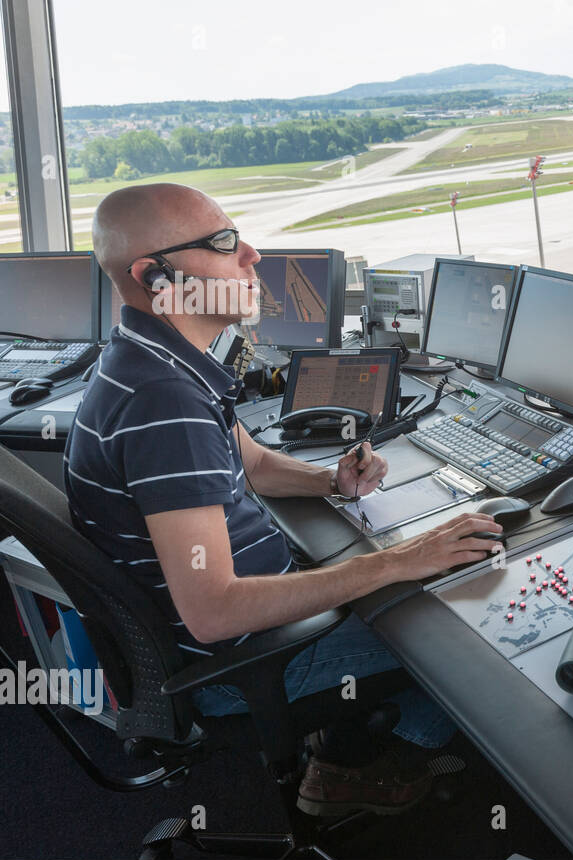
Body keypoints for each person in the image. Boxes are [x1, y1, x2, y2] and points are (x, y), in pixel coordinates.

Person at [65, 183, 502, 815]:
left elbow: (257, 464)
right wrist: (398, 561)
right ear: (155, 276)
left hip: (237, 631)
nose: (252, 255)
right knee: (461, 633)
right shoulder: (163, 403)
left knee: (402, 583)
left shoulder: (153, 361)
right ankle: (356, 768)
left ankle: (345, 742)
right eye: (222, 243)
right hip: (249, 660)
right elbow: (214, 611)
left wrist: (333, 482)